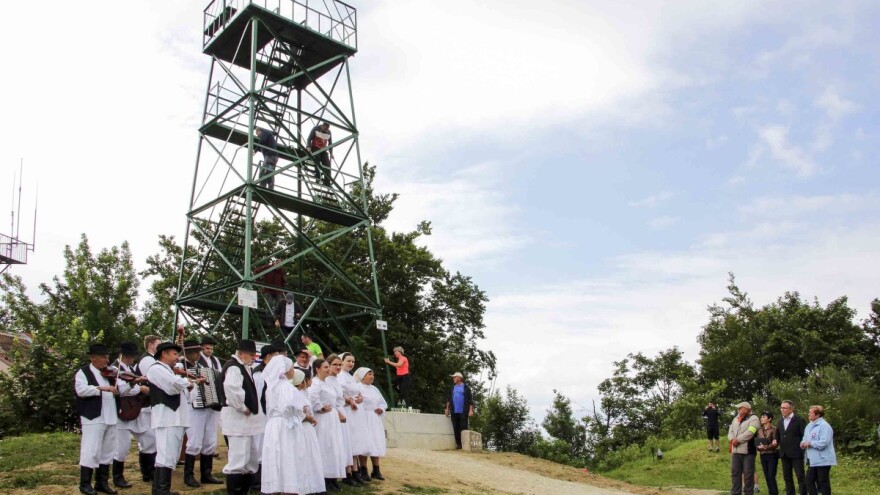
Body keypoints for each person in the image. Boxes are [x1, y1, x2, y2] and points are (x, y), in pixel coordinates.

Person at [147, 341, 202, 495]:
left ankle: (162, 489)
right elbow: (172, 386)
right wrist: (188, 382)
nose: (177, 357)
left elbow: (187, 397)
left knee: (171, 455)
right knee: (165, 455)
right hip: (166, 418)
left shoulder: (170, 371)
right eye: (174, 354)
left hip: (176, 418)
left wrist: (191, 386)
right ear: (164, 354)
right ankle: (160, 490)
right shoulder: (156, 369)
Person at [75, 343, 120, 495]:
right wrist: (100, 389)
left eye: (107, 357)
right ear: (93, 358)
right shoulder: (84, 372)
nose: (107, 360)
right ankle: (85, 484)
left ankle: (102, 483)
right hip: (94, 416)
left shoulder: (109, 373)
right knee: (91, 449)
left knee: (108, 450)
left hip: (110, 415)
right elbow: (81, 390)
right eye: (103, 357)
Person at [221, 339, 264, 494]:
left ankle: (244, 490)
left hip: (246, 423)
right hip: (236, 420)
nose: (253, 357)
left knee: (249, 459)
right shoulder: (234, 368)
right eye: (251, 354)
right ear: (241, 353)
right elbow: (231, 389)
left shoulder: (244, 367)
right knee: (238, 459)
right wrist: (242, 407)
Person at [181, 340, 223, 487]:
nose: (198, 355)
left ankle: (207, 474)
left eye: (199, 351)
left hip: (209, 408)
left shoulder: (202, 367)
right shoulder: (181, 366)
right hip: (193, 409)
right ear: (187, 352)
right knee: (194, 442)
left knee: (210, 441)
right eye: (195, 352)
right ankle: (188, 476)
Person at [259, 356, 304, 494]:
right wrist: (300, 411)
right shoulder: (285, 386)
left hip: (274, 424)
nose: (293, 370)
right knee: (288, 456)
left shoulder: (272, 386)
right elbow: (289, 406)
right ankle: (289, 488)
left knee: (277, 457)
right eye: (291, 367)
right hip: (285, 424)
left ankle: (276, 487)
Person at [111, 342, 152, 489]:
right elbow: (120, 389)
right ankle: (118, 477)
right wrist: (139, 387)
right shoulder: (114, 369)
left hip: (134, 409)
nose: (132, 359)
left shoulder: (129, 368)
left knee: (149, 438)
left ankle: (148, 472)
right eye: (130, 356)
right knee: (122, 446)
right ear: (123, 355)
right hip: (121, 411)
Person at [308, 358, 347, 492]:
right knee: (324, 447)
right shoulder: (315, 382)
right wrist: (320, 407)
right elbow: (312, 397)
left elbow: (336, 399)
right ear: (317, 369)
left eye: (327, 367)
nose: (328, 369)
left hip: (332, 419)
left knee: (333, 447)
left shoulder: (327, 383)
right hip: (323, 419)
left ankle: (332, 477)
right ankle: (323, 477)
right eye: (325, 367)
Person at [250, 343, 283, 494]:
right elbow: (257, 397)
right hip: (261, 416)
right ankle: (256, 482)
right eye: (277, 355)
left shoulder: (272, 373)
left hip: (269, 416)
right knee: (259, 448)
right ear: (268, 357)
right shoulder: (259, 374)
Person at [327, 353, 361, 487]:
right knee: (337, 444)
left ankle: (348, 473)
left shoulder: (345, 378)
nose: (338, 366)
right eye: (335, 364)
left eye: (339, 364)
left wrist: (356, 399)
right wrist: (349, 401)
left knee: (346, 444)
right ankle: (340, 475)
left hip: (345, 412)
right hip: (338, 413)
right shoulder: (334, 379)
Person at [293, 368, 325, 494]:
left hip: (308, 429)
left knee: (311, 457)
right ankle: (305, 486)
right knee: (304, 456)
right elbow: (300, 412)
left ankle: (313, 485)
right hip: (303, 429)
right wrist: (309, 418)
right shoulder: (297, 394)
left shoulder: (305, 393)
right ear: (303, 381)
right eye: (309, 379)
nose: (311, 381)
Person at [340, 352, 370, 484]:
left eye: (353, 361)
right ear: (342, 361)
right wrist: (350, 401)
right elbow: (340, 394)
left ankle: (355, 471)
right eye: (348, 361)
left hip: (354, 411)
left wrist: (360, 398)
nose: (351, 363)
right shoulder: (340, 376)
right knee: (348, 442)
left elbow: (357, 392)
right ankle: (348, 473)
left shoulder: (351, 377)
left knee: (354, 442)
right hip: (346, 410)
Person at [135, 335, 161, 482]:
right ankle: (147, 471)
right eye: (159, 344)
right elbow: (153, 380)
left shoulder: (153, 359)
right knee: (148, 439)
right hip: (146, 404)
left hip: (152, 405)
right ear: (151, 345)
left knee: (153, 438)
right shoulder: (147, 360)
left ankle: (151, 470)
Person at [354, 367, 388, 481]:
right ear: (363, 375)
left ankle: (376, 469)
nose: (372, 376)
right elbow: (355, 401)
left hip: (374, 419)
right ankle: (363, 469)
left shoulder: (374, 389)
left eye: (373, 374)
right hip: (363, 418)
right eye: (369, 374)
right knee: (364, 443)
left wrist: (381, 409)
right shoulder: (357, 387)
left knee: (375, 441)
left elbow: (383, 403)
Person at [800, 405, 835, 495]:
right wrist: (803, 443)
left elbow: (824, 442)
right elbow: (805, 438)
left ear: (818, 415)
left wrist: (810, 443)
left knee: (823, 482)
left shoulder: (824, 426)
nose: (808, 414)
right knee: (809, 480)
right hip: (812, 460)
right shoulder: (809, 425)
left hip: (823, 459)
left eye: (811, 413)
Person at [728, 401, 760, 495]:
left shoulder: (754, 419)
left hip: (748, 452)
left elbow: (751, 432)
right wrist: (732, 439)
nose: (738, 410)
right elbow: (730, 431)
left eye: (740, 408)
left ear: (746, 409)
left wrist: (738, 440)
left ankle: (748, 493)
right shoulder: (735, 419)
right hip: (736, 450)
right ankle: (735, 492)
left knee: (748, 474)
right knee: (735, 473)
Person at [777, 400, 808, 495]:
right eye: (781, 407)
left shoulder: (799, 420)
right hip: (784, 453)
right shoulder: (780, 421)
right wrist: (775, 440)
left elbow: (804, 435)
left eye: (784, 408)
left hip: (796, 453)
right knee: (787, 476)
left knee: (800, 476)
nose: (782, 410)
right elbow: (778, 435)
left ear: (791, 409)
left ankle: (803, 493)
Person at [445, 372, 474, 450]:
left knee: (463, 428)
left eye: (455, 377)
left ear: (459, 378)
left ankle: (465, 445)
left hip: (463, 411)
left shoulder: (466, 388)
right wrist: (447, 409)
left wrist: (470, 410)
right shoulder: (453, 387)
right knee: (456, 428)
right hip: (454, 411)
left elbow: (470, 400)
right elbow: (449, 399)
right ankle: (459, 445)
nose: (453, 378)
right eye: (453, 377)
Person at [756, 411, 780, 495]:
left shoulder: (774, 429)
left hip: (772, 454)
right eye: (761, 417)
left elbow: (775, 443)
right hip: (763, 455)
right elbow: (756, 442)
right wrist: (758, 447)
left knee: (771, 476)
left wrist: (765, 447)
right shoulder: (759, 430)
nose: (761, 418)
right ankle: (771, 492)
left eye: (764, 417)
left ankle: (774, 493)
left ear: (769, 419)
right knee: (766, 476)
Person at [306, 121, 333, 186]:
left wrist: (331, 153)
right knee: (317, 159)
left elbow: (330, 143)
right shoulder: (316, 129)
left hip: (323, 150)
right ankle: (318, 177)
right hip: (315, 148)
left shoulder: (329, 132)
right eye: (325, 129)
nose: (326, 131)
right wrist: (309, 147)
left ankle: (327, 182)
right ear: (323, 126)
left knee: (327, 164)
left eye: (327, 129)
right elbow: (309, 138)